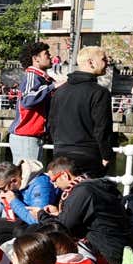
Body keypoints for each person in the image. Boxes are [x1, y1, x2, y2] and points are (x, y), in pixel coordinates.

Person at [43, 157, 131, 264]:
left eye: (54, 180)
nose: (54, 185)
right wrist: (57, 213)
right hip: (122, 250)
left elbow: (62, 227)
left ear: (65, 175)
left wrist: (41, 215)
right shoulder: (97, 185)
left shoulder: (82, 191)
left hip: (106, 255)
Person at [48, 46, 115, 178]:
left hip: (60, 153)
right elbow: (102, 128)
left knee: (65, 195)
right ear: (91, 62)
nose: (107, 62)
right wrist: (106, 154)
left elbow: (52, 123)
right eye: (103, 59)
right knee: (89, 194)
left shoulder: (60, 91)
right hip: (88, 155)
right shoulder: (99, 92)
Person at [0, 160, 55, 242]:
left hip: (43, 224)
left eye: (3, 188)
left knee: (19, 232)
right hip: (25, 218)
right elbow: (12, 217)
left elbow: (37, 219)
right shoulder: (18, 183)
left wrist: (13, 201)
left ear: (14, 181)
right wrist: (6, 203)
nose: (2, 192)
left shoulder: (40, 185)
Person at [9, 41, 55, 163]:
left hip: (31, 136)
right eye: (46, 54)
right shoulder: (32, 76)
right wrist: (52, 87)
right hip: (27, 136)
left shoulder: (41, 79)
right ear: (36, 59)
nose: (50, 57)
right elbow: (28, 100)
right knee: (29, 176)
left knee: (30, 175)